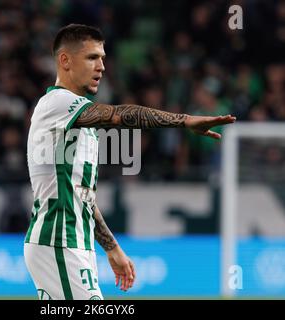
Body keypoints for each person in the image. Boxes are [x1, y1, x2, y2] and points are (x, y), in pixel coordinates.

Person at [24, 24, 236, 300]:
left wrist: (112, 248)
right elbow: (119, 115)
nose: (101, 66)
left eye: (102, 58)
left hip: (73, 243)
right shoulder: (57, 103)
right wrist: (185, 121)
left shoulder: (79, 124)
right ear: (64, 60)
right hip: (59, 240)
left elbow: (82, 197)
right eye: (92, 57)